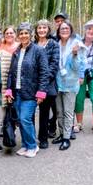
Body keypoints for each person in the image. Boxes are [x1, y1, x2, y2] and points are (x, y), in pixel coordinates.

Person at [5, 23, 48, 158]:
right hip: (17, 92)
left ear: (30, 34)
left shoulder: (38, 50)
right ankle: (24, 145)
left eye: (26, 33)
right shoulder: (17, 51)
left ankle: (32, 146)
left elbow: (44, 73)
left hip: (30, 92)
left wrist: (41, 92)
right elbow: (11, 73)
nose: (23, 35)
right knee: (20, 119)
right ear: (18, 36)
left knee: (25, 119)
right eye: (21, 33)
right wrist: (9, 91)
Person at [53, 20, 86, 150]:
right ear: (58, 31)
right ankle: (61, 134)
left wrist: (75, 54)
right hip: (58, 83)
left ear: (71, 30)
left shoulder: (77, 45)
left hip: (71, 84)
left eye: (67, 28)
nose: (64, 30)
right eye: (62, 29)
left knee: (68, 112)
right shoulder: (56, 44)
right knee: (59, 112)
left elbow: (78, 67)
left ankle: (67, 137)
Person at [34, 20, 60, 149]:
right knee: (30, 113)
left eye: (44, 28)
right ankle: (31, 138)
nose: (42, 30)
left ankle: (43, 138)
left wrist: (42, 82)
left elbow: (54, 65)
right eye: (39, 28)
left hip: (47, 84)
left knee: (44, 113)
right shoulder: (32, 44)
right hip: (32, 84)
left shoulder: (53, 45)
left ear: (48, 30)